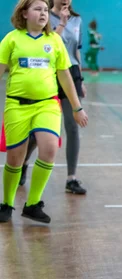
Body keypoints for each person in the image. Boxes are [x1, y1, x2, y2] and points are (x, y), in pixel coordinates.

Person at [0, 0, 88, 223]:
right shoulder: (11, 39)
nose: (43, 14)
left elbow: (65, 76)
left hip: (47, 104)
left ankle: (32, 204)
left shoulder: (54, 40)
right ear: (24, 13)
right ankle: (7, 203)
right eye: (37, 9)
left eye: (45, 11)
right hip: (17, 106)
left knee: (49, 150)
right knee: (14, 159)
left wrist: (77, 107)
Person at [21, 0, 88, 195]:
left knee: (72, 126)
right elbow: (45, 46)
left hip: (71, 71)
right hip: (48, 72)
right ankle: (24, 162)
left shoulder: (77, 20)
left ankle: (71, 178)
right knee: (41, 129)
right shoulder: (44, 15)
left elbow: (77, 50)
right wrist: (61, 25)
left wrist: (80, 79)